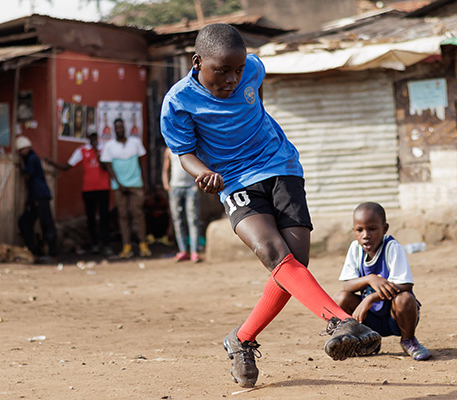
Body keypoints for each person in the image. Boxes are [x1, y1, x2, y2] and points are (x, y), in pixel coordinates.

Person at [159, 23, 380, 388]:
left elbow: (254, 96)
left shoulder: (253, 69)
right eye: (222, 71)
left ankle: (241, 339)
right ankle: (340, 321)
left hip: (281, 165)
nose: (232, 79)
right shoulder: (178, 102)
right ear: (197, 63)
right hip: (233, 179)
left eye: (237, 70)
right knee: (272, 252)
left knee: (295, 263)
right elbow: (184, 153)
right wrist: (204, 173)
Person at [333, 202, 430, 361]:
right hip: (370, 318)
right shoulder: (355, 248)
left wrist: (370, 298)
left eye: (372, 229)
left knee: (405, 298)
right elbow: (347, 285)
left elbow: (405, 284)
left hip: (396, 317)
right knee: (340, 298)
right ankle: (368, 340)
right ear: (354, 231)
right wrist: (370, 279)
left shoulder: (392, 248)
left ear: (384, 229)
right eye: (359, 230)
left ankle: (408, 340)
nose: (365, 235)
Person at [45, 132, 113, 256]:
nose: (93, 139)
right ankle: (95, 244)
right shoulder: (81, 150)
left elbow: (105, 167)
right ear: (88, 138)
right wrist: (52, 163)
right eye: (91, 137)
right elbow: (67, 166)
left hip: (103, 188)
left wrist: (97, 152)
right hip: (88, 189)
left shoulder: (104, 149)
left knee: (104, 217)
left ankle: (106, 244)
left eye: (95, 136)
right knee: (91, 218)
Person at [100, 118, 151, 259]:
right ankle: (126, 246)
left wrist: (145, 182)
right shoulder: (109, 146)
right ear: (114, 129)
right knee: (123, 215)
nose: (119, 129)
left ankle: (143, 244)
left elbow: (142, 163)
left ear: (125, 127)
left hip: (136, 183)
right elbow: (108, 167)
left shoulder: (135, 143)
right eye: (117, 127)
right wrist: (119, 183)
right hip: (119, 186)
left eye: (121, 127)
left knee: (138, 214)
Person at [16, 136, 58, 262]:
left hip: (40, 196)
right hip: (34, 196)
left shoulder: (32, 159)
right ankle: (34, 251)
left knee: (46, 223)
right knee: (24, 222)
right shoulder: (31, 158)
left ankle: (52, 253)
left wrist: (21, 163)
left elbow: (27, 175)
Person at [162, 147, 201, 262]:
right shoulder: (169, 150)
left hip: (191, 187)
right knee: (177, 220)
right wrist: (166, 185)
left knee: (193, 219)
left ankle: (194, 251)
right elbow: (165, 169)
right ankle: (183, 250)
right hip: (175, 187)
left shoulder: (192, 147)